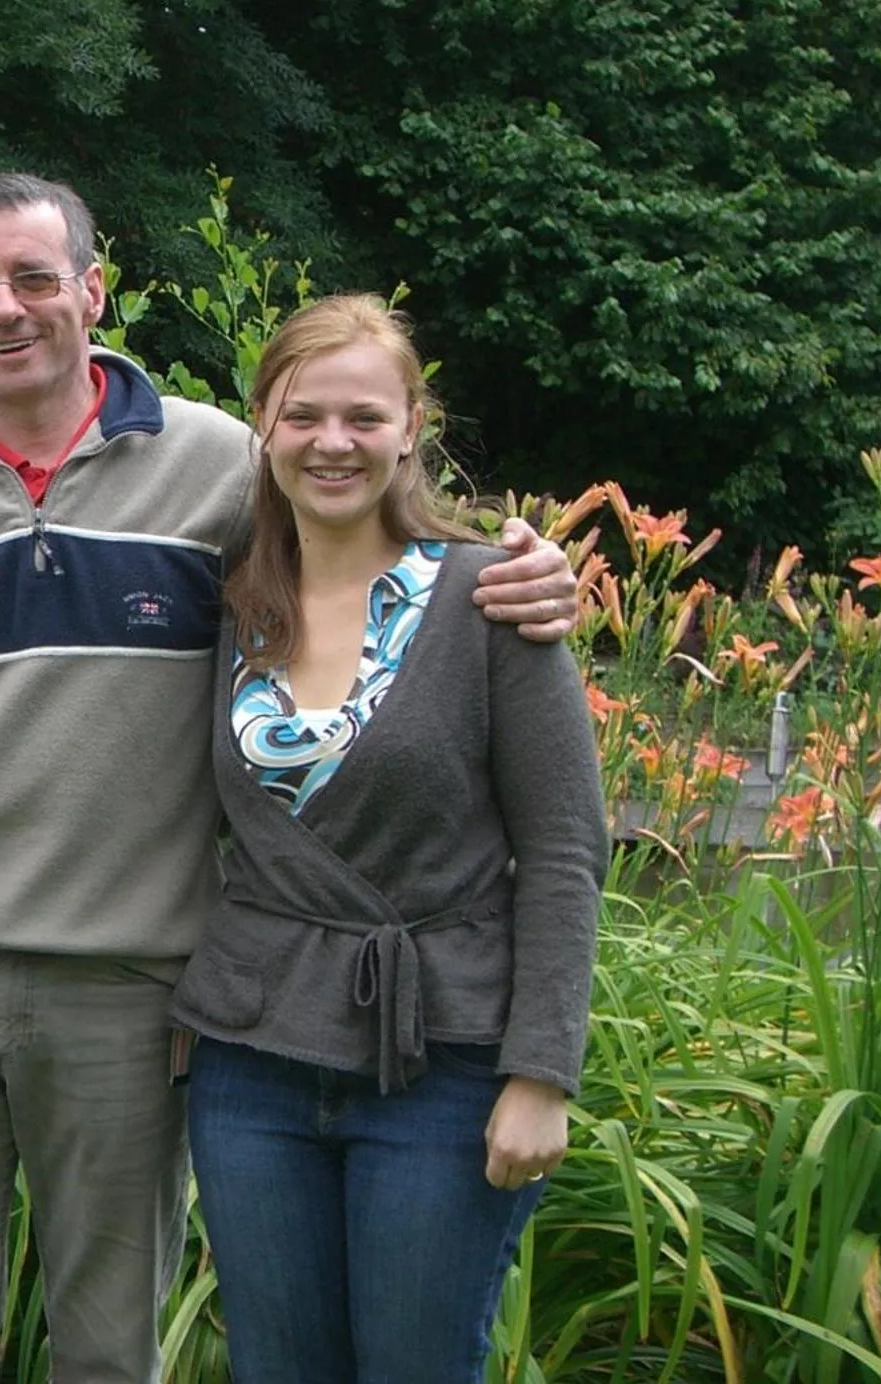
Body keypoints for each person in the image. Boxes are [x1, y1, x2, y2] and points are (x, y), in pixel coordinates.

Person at [0, 173, 586, 1382]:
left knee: (111, 1354)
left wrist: (520, 567)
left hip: (129, 990)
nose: (5, 307)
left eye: (34, 278)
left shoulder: (217, 467)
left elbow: (363, 526)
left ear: (92, 290)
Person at [170, 294, 607, 1383]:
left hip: (442, 1061)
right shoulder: (228, 601)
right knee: (278, 1366)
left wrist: (541, 1073)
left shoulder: (490, 598)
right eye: (303, 414)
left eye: (364, 416)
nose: (333, 442)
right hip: (253, 1064)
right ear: (262, 423)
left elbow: (564, 851)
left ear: (412, 426)